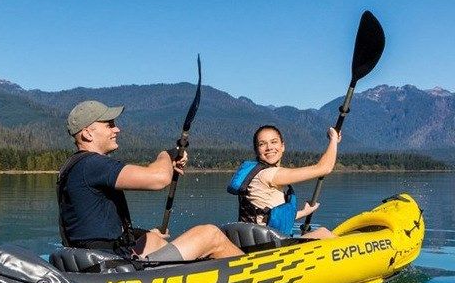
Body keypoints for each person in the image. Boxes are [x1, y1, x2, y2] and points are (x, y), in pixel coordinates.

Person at [59, 100, 243, 262]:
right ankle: (258, 275)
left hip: (96, 261)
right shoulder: (93, 164)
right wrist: (167, 154)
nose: (117, 129)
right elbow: (159, 179)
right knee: (209, 234)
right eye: (109, 125)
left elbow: (92, 230)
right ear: (87, 134)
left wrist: (141, 235)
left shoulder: (74, 167)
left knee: (153, 238)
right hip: (111, 270)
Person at [227, 124, 341, 239]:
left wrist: (304, 212)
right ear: (257, 150)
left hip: (263, 241)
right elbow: (324, 168)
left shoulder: (259, 173)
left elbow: (268, 218)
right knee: (323, 233)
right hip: (269, 246)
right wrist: (333, 139)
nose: (269, 147)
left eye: (273, 142)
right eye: (262, 144)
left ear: (282, 146)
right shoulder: (269, 174)